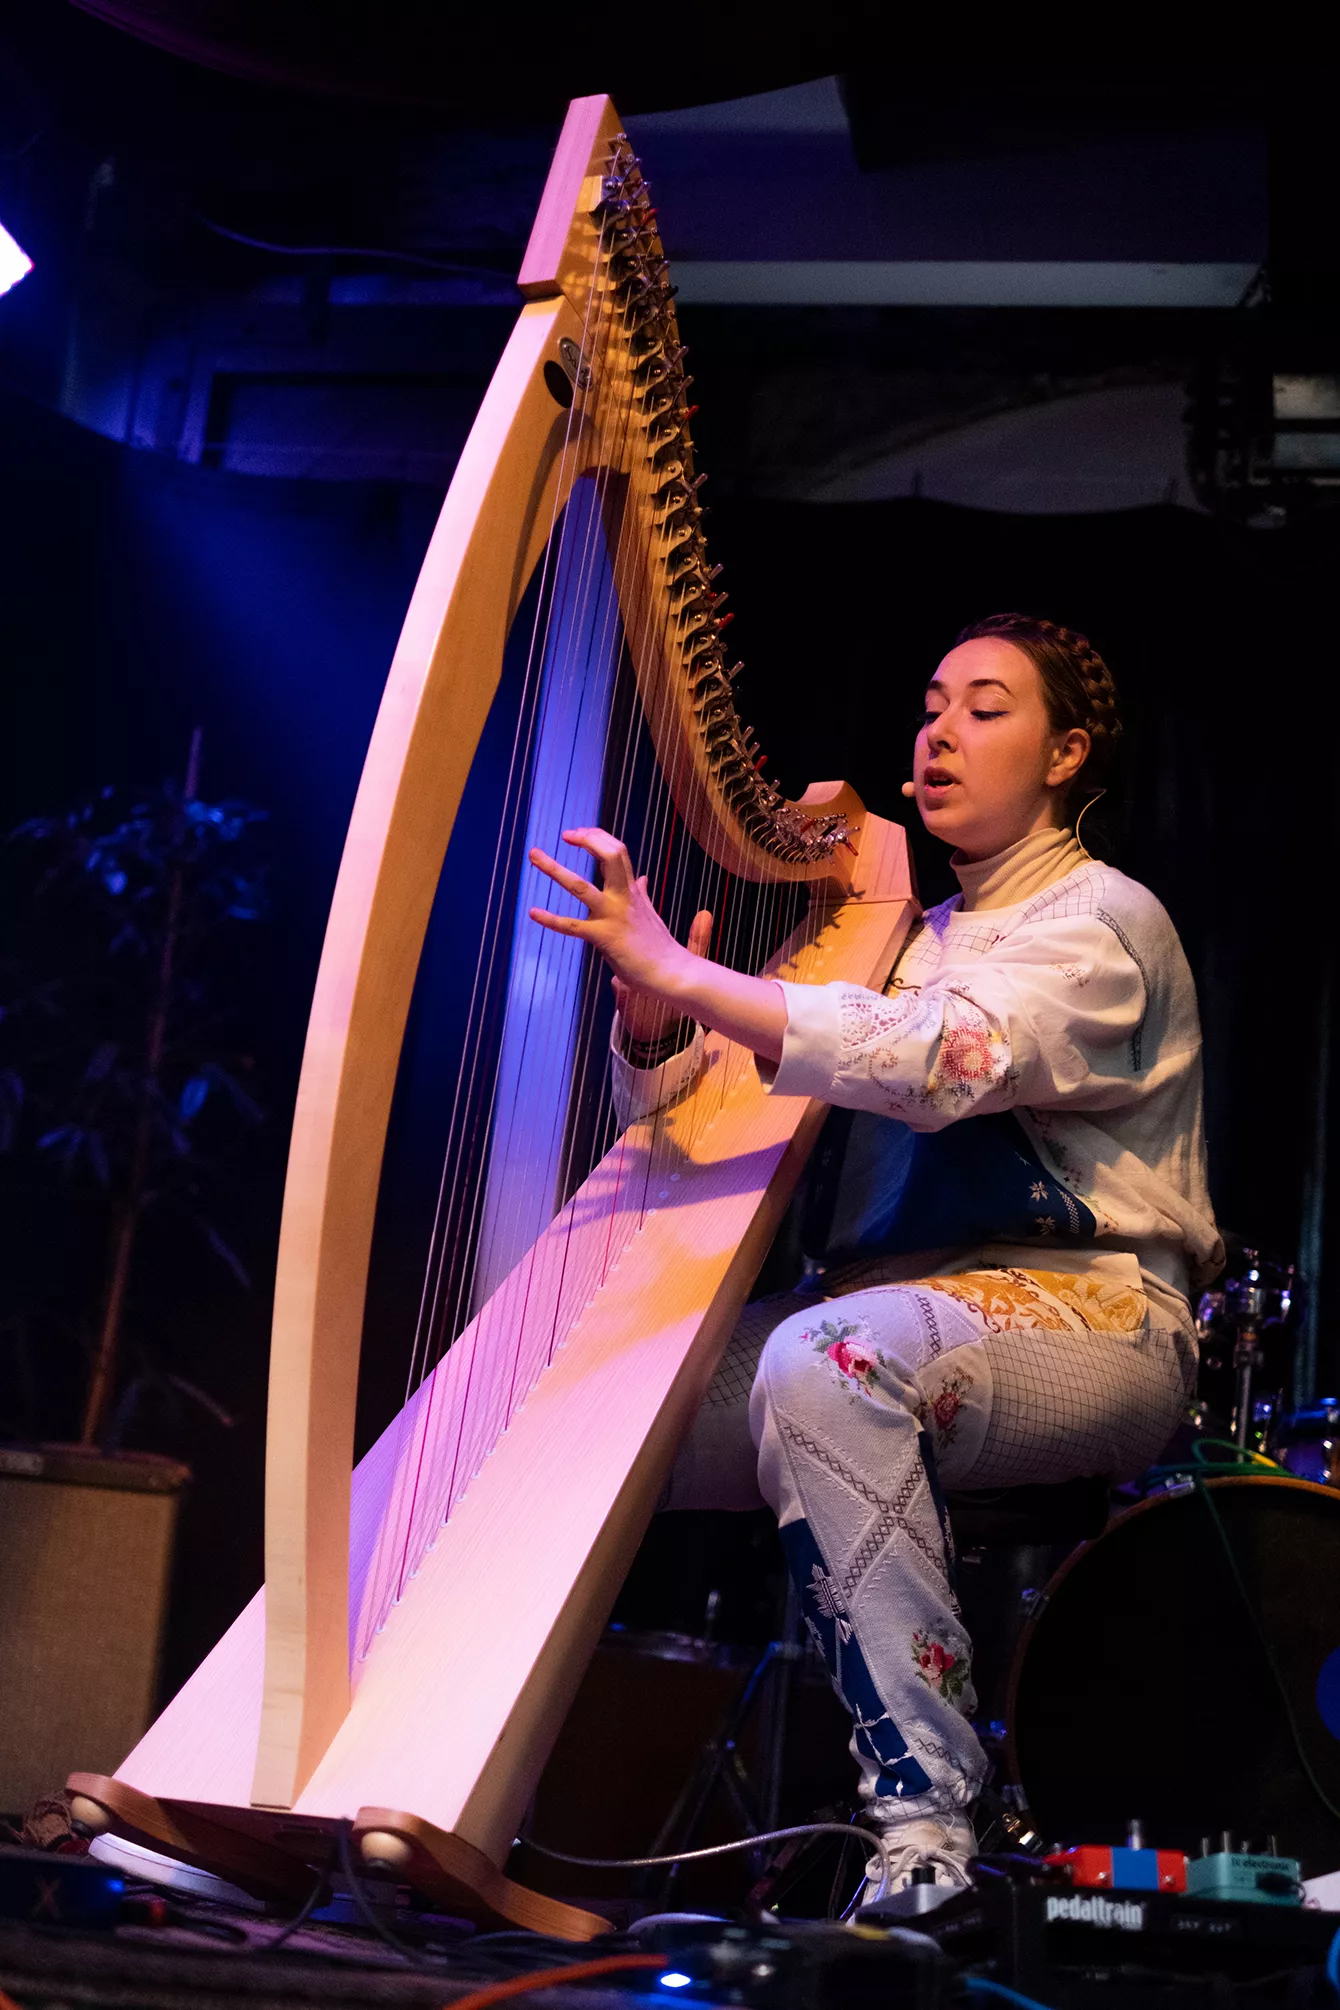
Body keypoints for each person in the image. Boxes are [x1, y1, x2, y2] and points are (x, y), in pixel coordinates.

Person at [529, 612, 1221, 1894]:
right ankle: (452, 1792)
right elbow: (689, 1128)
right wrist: (657, 1025)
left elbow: (939, 1063)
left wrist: (691, 973)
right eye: (930, 705)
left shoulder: (1104, 923)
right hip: (876, 1305)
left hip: (1094, 1320)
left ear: (1064, 753)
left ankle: (929, 1831)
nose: (939, 731)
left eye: (985, 708)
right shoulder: (889, 939)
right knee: (576, 1404)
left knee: (827, 1361)